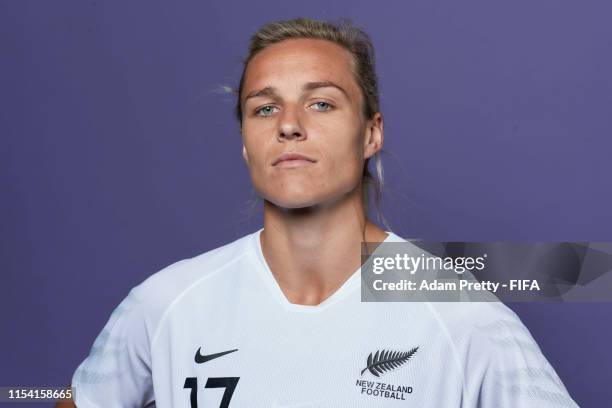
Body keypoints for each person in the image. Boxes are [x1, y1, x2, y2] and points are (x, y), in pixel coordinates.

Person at [58, 17, 579, 407]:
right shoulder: (164, 305)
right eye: (264, 107)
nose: (288, 124)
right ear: (245, 142)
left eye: (321, 103)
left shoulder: (465, 318)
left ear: (371, 133)